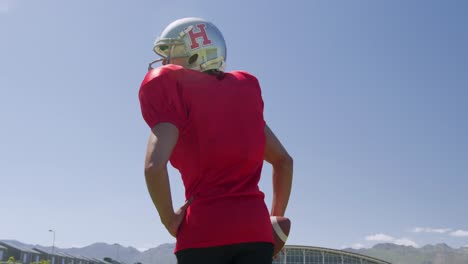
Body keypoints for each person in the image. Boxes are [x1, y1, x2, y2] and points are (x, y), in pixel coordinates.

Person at [138, 17, 293, 264]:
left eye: (171, 53)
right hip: (256, 233)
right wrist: (274, 221)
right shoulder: (243, 93)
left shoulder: (173, 90)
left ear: (193, 56)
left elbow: (153, 166)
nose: (165, 62)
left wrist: (168, 218)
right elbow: (284, 161)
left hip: (202, 231)